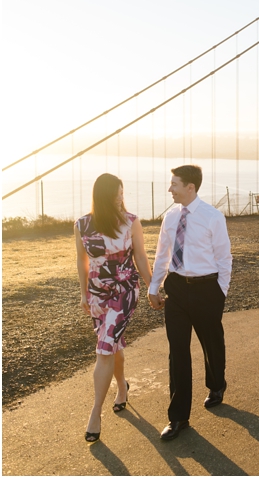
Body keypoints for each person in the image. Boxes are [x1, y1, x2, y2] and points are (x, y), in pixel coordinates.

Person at [149, 165, 232, 441]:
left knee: (211, 342)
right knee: (178, 352)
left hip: (207, 289)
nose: (169, 188)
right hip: (175, 290)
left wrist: (219, 293)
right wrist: (153, 287)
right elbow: (162, 255)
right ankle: (178, 417)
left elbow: (224, 258)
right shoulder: (171, 217)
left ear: (190, 188)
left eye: (174, 184)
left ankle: (216, 385)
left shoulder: (213, 217)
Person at [75, 173, 153, 443]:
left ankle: (95, 414)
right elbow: (82, 261)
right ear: (103, 196)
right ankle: (122, 386)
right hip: (97, 294)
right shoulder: (82, 225)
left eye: (123, 192)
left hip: (124, 290)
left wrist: (152, 287)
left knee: (104, 347)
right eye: (116, 193)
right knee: (114, 344)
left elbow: (141, 256)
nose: (121, 197)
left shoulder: (131, 222)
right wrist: (84, 293)